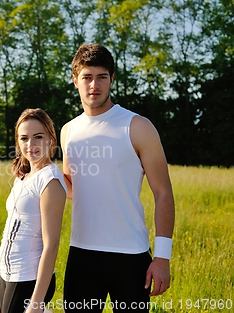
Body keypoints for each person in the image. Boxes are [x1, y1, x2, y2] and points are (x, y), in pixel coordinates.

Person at [60, 44, 175, 312]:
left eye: (102, 77)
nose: (94, 85)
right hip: (82, 255)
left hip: (130, 257)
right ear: (75, 79)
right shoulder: (68, 131)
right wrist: (40, 171)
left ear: (112, 79)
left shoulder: (137, 126)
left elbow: (163, 193)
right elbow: (72, 189)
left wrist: (162, 259)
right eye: (87, 77)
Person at [0, 108, 71, 313]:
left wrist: (36, 302)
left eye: (38, 137)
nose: (31, 145)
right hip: (10, 275)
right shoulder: (24, 175)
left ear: (51, 139)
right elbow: (11, 230)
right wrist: (1, 288)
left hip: (28, 277)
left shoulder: (50, 180)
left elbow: (51, 244)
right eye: (24, 138)